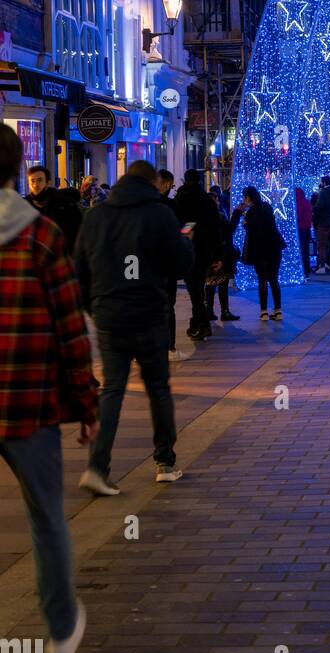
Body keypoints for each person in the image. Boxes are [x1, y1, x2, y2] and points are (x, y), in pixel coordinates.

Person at [0, 126, 99, 653]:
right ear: (20, 170)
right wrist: (86, 402)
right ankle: (61, 630)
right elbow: (70, 328)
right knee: (45, 516)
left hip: (28, 401)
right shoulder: (42, 237)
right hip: (28, 402)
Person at [74, 160, 195, 494]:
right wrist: (186, 241)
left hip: (110, 315)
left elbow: (79, 269)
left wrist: (94, 307)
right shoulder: (159, 214)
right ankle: (165, 462)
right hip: (148, 312)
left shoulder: (96, 216)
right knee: (157, 387)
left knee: (112, 389)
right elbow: (182, 263)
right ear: (153, 182)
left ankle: (97, 467)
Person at [172, 170, 224, 340]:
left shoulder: (180, 199)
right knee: (197, 287)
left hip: (188, 249)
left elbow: (182, 224)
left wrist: (186, 232)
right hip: (205, 250)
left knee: (193, 288)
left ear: (184, 180)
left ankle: (202, 323)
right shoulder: (207, 201)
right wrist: (217, 254)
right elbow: (216, 229)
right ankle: (196, 322)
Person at [231, 186, 286, 319]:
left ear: (248, 197)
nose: (244, 200)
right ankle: (278, 311)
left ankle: (264, 312)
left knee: (262, 280)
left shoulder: (250, 213)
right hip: (274, 248)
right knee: (274, 279)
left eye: (245, 197)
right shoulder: (267, 208)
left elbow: (251, 232)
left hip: (259, 250)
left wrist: (244, 222)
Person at [154, 170, 185, 361]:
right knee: (168, 306)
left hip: (143, 264)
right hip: (167, 263)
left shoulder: (143, 205)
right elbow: (186, 227)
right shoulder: (172, 205)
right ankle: (169, 347)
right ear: (167, 184)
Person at [25, 165, 83, 252]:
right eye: (32, 181)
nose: (35, 185)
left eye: (39, 180)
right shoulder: (24, 207)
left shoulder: (65, 205)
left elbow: (77, 236)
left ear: (48, 182)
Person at [205, 187, 240, 322]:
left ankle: (209, 310)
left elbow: (186, 232)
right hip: (220, 254)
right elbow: (229, 230)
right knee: (222, 283)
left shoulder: (200, 217)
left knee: (209, 283)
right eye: (216, 200)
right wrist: (237, 213)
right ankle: (224, 311)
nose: (218, 202)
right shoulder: (218, 216)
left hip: (207, 255)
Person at [295, 184, 313, 275]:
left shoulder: (298, 203)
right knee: (305, 250)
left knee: (301, 250)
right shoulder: (307, 202)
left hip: (300, 229)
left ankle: (303, 270)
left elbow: (298, 216)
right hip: (307, 229)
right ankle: (307, 268)